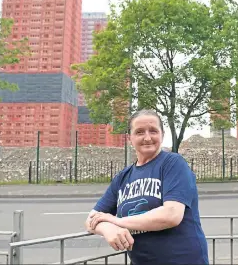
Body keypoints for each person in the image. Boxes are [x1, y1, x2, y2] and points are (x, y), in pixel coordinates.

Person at [85, 109, 209, 265]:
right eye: (139, 132)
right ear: (130, 138)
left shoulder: (173, 164)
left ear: (162, 135)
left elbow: (171, 215)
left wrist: (116, 221)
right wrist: (107, 229)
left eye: (153, 131)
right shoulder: (123, 177)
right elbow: (91, 218)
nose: (147, 137)